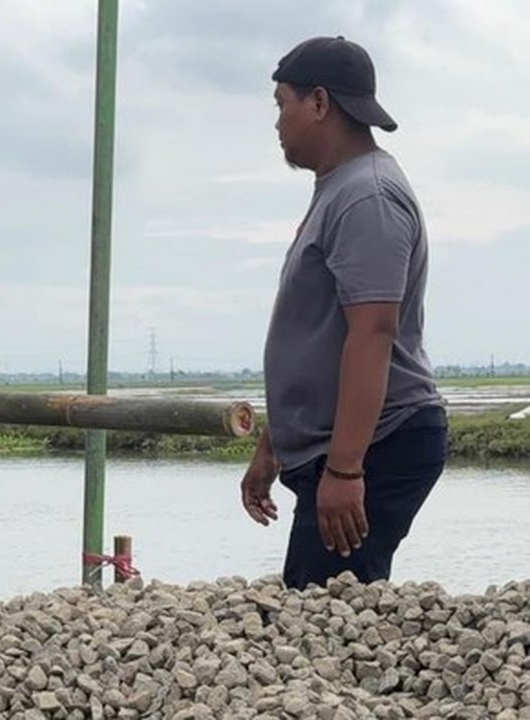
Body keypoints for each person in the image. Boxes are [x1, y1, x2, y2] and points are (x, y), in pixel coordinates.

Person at [239, 36, 447, 590]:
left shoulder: (367, 197)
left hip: (378, 443)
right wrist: (274, 446)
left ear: (320, 103)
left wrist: (347, 469)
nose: (278, 121)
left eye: (282, 103)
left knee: (324, 616)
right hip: (345, 445)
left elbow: (373, 333)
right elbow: (316, 338)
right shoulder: (339, 190)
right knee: (319, 607)